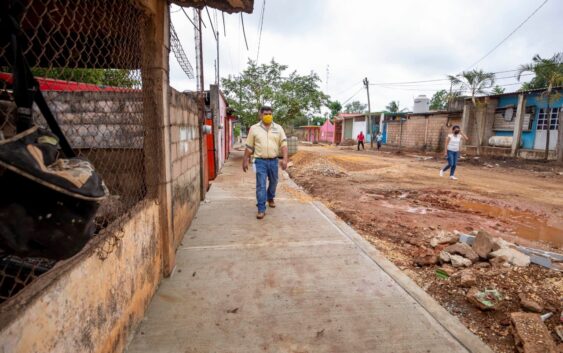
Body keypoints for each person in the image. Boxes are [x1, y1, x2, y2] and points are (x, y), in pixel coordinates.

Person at [243, 106, 288, 219]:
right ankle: (261, 209)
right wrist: (245, 160)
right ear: (260, 115)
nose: (268, 116)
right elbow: (249, 147)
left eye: (270, 114)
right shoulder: (254, 128)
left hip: (273, 161)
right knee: (261, 185)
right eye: (265, 114)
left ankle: (270, 197)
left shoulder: (278, 128)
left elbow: (284, 145)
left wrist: (285, 159)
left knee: (274, 182)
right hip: (260, 161)